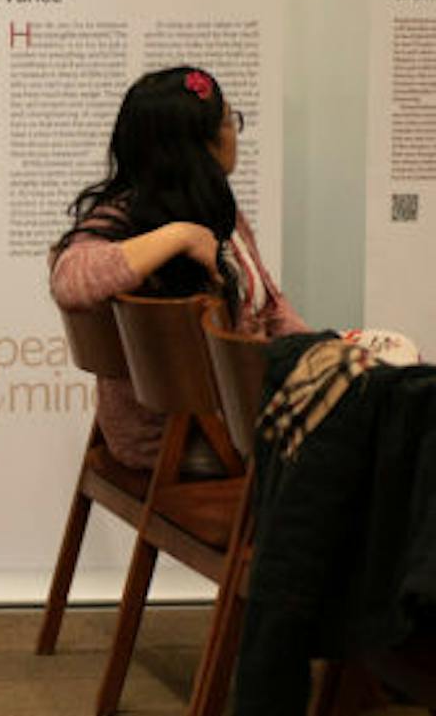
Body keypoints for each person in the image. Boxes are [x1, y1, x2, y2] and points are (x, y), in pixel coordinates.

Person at [49, 67, 307, 470]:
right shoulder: (130, 217)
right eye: (229, 122)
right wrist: (178, 236)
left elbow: (269, 306)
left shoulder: (220, 211)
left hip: (232, 412)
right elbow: (69, 278)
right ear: (196, 145)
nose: (235, 134)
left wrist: (320, 353)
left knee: (373, 387)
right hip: (188, 439)